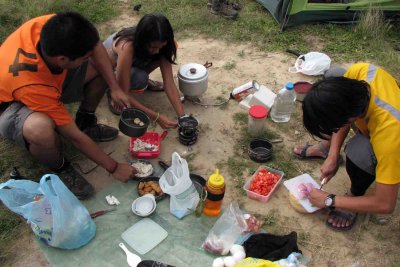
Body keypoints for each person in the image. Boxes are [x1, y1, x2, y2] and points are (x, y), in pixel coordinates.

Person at [0, 12, 138, 200]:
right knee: (40, 130)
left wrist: (115, 88)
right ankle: (60, 166)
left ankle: (86, 121)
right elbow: (74, 137)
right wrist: (114, 167)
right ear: (63, 60)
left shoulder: (54, 26)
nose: (89, 57)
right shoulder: (33, 85)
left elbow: (95, 47)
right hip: (12, 104)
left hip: (48, 81)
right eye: (84, 57)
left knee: (104, 65)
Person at [296, 63, 400, 231]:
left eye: (332, 129)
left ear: (350, 117)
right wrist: (333, 155)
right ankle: (326, 149)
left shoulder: (390, 137)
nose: (333, 130)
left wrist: (329, 200)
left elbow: (386, 203)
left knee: (358, 153)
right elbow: (345, 112)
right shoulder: (361, 73)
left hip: (394, 141)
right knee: (335, 74)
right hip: (379, 116)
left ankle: (354, 196)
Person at [103, 13, 186, 129]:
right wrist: (157, 117)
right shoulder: (127, 45)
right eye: (153, 47)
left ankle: (140, 81)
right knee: (139, 78)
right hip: (112, 67)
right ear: (142, 40)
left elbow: (169, 83)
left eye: (161, 46)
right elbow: (124, 94)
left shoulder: (162, 43)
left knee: (160, 57)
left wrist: (182, 117)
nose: (157, 51)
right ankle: (111, 90)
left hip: (134, 61)